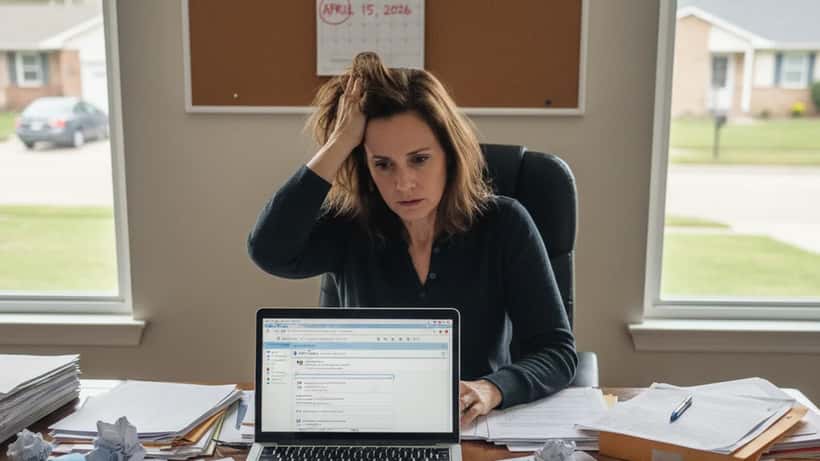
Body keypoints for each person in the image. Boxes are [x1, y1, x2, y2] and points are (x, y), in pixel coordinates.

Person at [248, 52, 577, 426]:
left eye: (419, 159)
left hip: (471, 430)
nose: (403, 184)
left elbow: (556, 352)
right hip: (366, 424)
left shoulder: (504, 224)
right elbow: (268, 251)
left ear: (450, 156)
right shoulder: (350, 227)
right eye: (383, 164)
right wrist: (341, 142)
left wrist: (490, 389)